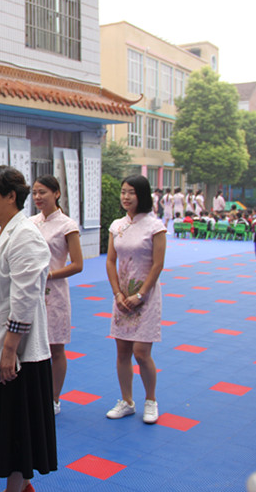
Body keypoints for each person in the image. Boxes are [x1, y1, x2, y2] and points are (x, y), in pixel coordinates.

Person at [0, 165, 57, 492]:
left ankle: (15, 488)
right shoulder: (4, 231)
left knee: (16, 422)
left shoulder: (25, 235)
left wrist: (9, 350)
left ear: (11, 197)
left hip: (15, 349)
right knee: (6, 419)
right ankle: (22, 484)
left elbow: (25, 296)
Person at [105, 175, 167, 424]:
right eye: (123, 192)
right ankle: (127, 401)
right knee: (122, 352)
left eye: (131, 192)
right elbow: (110, 260)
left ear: (142, 195)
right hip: (122, 297)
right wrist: (118, 294)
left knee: (141, 353)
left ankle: (150, 400)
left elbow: (158, 263)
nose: (125, 197)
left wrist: (140, 294)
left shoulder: (155, 226)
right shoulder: (117, 226)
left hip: (146, 297)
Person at [30, 175, 83, 414]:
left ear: (57, 193)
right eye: (35, 193)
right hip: (30, 290)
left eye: (43, 192)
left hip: (55, 293)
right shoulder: (30, 223)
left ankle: (53, 398)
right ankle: (33, 393)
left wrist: (49, 275)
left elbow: (78, 264)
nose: (38, 197)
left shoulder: (67, 225)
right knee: (30, 343)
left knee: (56, 347)